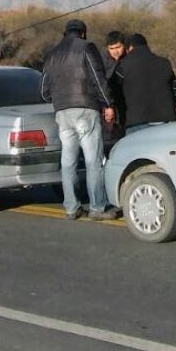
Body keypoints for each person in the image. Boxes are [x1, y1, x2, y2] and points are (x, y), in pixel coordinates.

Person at [41, 19, 117, 221]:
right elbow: (97, 78)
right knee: (93, 161)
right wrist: (108, 103)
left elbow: (44, 91)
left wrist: (59, 100)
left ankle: (72, 208)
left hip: (62, 113)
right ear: (83, 33)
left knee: (68, 162)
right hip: (86, 110)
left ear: (64, 33)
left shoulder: (53, 53)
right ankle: (97, 207)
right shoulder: (86, 47)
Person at [116, 34, 176, 135]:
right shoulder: (164, 63)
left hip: (135, 122)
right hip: (165, 122)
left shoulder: (122, 66)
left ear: (130, 48)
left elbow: (117, 95)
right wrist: (169, 108)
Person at [101, 31, 127, 141]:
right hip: (109, 107)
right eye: (111, 48)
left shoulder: (129, 60)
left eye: (118, 47)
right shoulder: (102, 62)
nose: (115, 51)